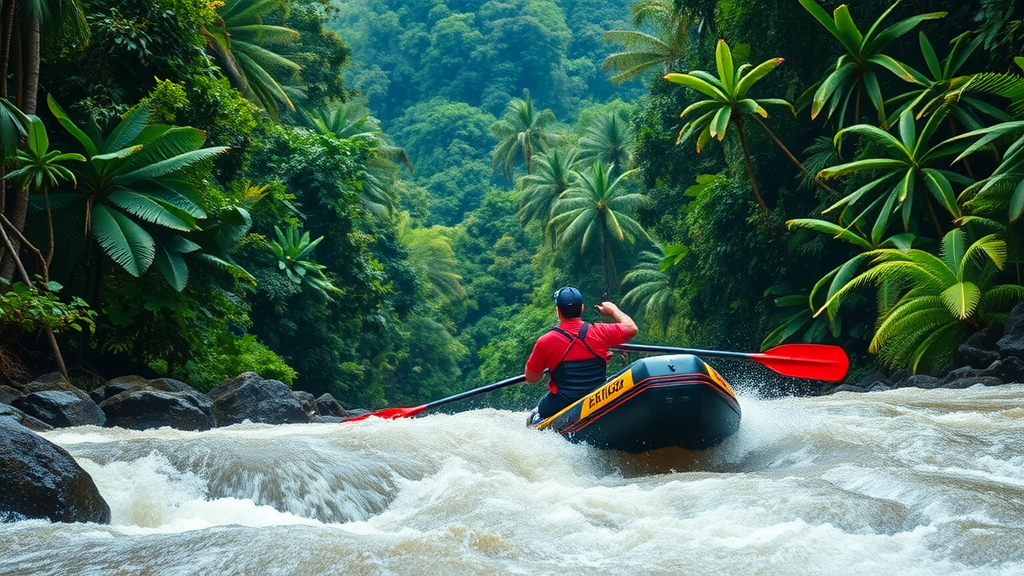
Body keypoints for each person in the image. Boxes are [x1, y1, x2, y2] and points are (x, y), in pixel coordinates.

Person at [525, 286, 638, 420]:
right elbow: (631, 328)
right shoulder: (601, 332)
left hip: (562, 402)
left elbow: (532, 378)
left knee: (538, 411)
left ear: (558, 311)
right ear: (582, 308)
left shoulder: (545, 341)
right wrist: (613, 310)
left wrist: (548, 368)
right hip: (598, 397)